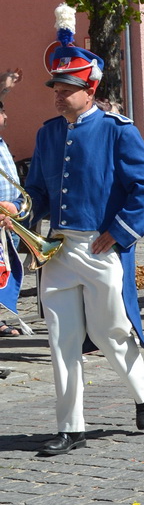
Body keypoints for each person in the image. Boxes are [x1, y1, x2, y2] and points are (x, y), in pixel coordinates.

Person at [15, 6, 144, 457]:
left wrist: (120, 232)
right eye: (57, 88)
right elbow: (39, 191)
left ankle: (143, 388)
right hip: (57, 250)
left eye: (67, 88)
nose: (58, 95)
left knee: (110, 332)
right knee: (59, 340)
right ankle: (70, 425)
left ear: (90, 89)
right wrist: (20, 208)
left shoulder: (118, 131)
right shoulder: (46, 134)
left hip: (100, 248)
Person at [0, 90, 32, 337]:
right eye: (2, 112)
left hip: (8, 220)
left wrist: (17, 205)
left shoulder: (2, 143)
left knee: (4, 270)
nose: (6, 116)